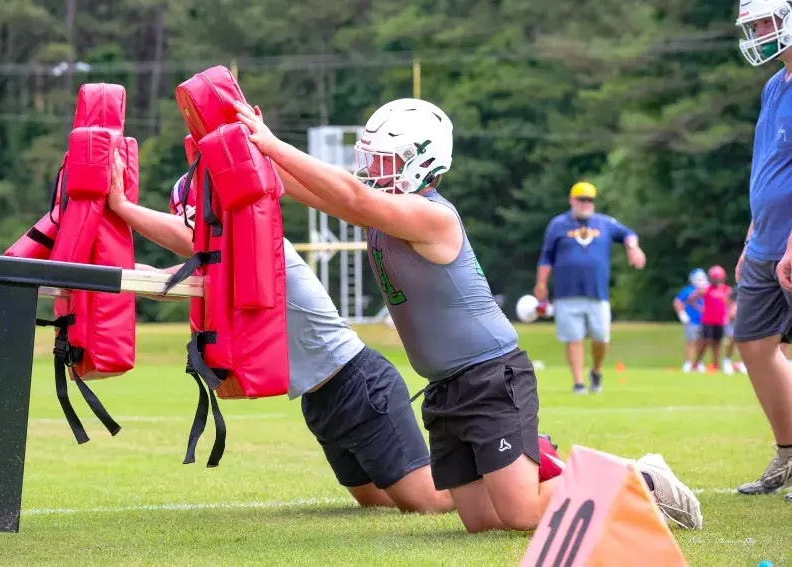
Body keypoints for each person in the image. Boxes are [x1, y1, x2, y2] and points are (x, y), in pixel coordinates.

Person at [233, 97, 702, 531]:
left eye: (385, 160)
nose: (372, 169)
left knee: (521, 514)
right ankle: (538, 457)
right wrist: (253, 154)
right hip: (446, 384)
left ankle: (641, 478)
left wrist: (271, 142)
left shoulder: (432, 215)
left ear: (422, 163)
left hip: (488, 375)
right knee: (483, 521)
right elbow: (311, 192)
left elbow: (352, 198)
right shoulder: (385, 210)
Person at [107, 165, 454, 515]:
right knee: (376, 503)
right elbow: (160, 282)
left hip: (358, 385)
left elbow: (186, 244)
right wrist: (99, 272)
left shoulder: (259, 248)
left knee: (426, 503)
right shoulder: (218, 268)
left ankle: (481, 478)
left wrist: (123, 206)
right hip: (318, 398)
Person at [732, 0, 792, 499]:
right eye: (752, 26)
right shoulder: (774, 85)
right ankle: (788, 454)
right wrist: (753, 233)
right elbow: (767, 164)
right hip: (765, 241)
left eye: (763, 23)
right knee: (754, 343)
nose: (757, 34)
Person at [534, 181, 647, 394]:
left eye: (590, 200)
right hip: (567, 292)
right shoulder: (558, 225)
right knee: (573, 338)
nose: (585, 203)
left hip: (597, 292)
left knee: (601, 338)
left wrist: (633, 248)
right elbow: (546, 257)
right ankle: (578, 382)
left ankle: (596, 370)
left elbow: (628, 233)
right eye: (581, 199)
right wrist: (541, 283)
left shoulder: (604, 223)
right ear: (572, 200)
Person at [687, 266, 732, 372]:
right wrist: (700, 308)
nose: (716, 280)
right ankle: (696, 363)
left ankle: (716, 364)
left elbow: (730, 302)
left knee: (717, 343)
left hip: (720, 321)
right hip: (708, 321)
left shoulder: (726, 290)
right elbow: (691, 298)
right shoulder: (706, 289)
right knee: (706, 341)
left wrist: (728, 312)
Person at [673, 269, 707, 373]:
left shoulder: (707, 290)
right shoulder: (688, 290)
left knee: (701, 343)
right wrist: (682, 314)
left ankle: (698, 363)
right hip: (692, 321)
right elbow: (677, 302)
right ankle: (687, 363)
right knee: (690, 342)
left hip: (705, 320)